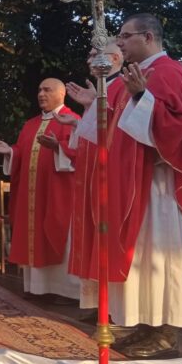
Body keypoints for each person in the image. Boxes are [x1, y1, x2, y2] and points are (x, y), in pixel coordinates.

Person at [92, 14, 182, 358]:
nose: (121, 42)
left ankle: (166, 332)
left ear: (147, 36)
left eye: (126, 36)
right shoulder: (143, 74)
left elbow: (177, 127)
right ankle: (147, 324)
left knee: (158, 254)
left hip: (158, 186)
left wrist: (143, 95)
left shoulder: (168, 71)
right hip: (137, 181)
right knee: (142, 255)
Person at [0, 79, 79, 302]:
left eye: (47, 90)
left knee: (57, 235)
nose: (41, 94)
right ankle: (37, 289)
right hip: (33, 196)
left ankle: (65, 292)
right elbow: (22, 151)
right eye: (39, 90)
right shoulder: (31, 124)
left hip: (59, 194)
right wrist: (10, 151)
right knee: (33, 235)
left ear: (62, 93)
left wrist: (59, 147)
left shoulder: (73, 120)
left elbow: (81, 153)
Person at [54, 43, 126, 310]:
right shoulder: (105, 90)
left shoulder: (118, 88)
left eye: (96, 54)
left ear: (116, 58)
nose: (89, 59)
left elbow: (114, 135)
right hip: (91, 173)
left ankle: (107, 307)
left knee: (104, 237)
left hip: (108, 175)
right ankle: (95, 304)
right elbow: (91, 133)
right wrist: (85, 112)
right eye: (90, 54)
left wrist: (94, 104)